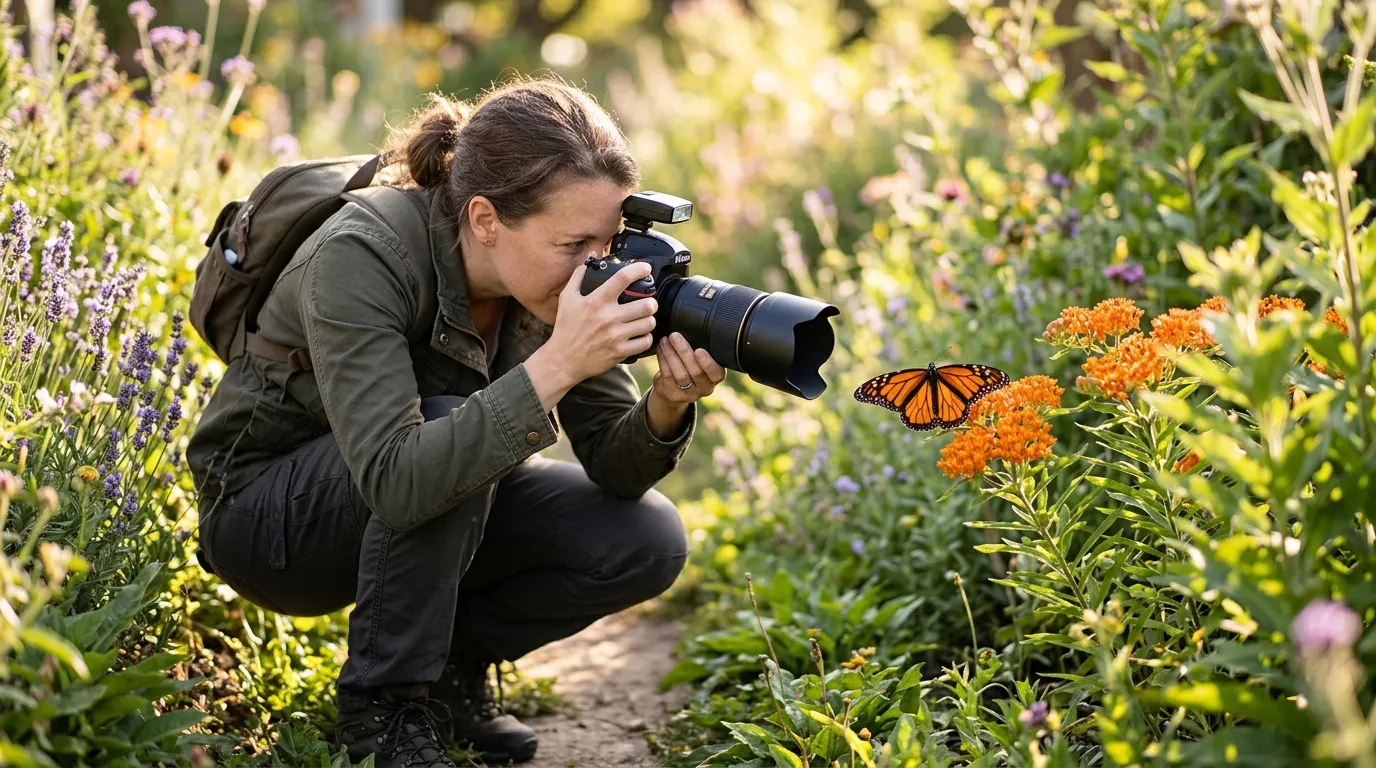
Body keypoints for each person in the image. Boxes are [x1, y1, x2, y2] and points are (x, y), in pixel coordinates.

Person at [186, 77, 726, 767]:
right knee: (448, 429)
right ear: (484, 219)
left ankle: (447, 674)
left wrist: (666, 405)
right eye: (576, 243)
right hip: (267, 520)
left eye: (610, 241)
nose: (600, 266)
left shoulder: (549, 280)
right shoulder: (363, 252)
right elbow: (399, 480)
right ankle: (382, 711)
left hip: (409, 497)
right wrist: (557, 364)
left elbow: (615, 470)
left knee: (646, 538)